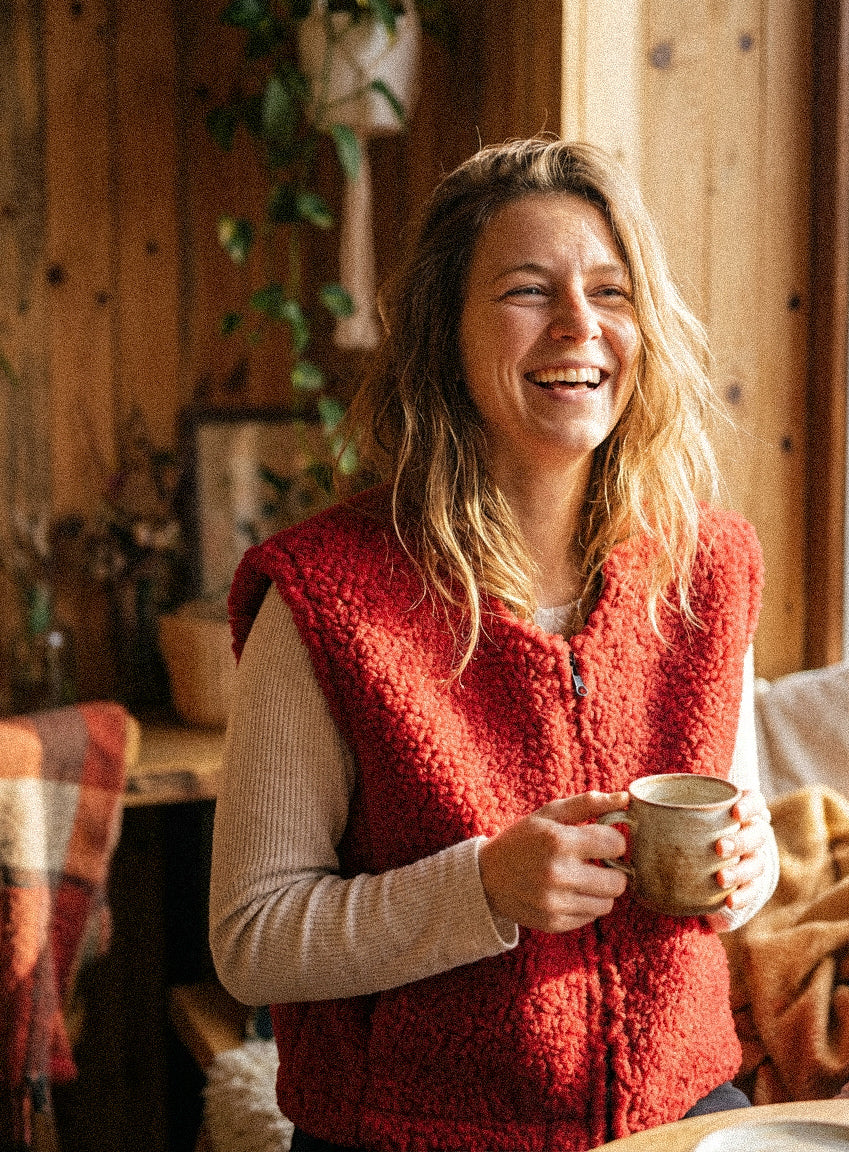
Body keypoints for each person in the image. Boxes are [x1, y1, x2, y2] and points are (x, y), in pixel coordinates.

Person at [210, 137, 779, 1152]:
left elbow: (745, 833)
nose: (579, 326)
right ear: (446, 333)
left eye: (611, 290)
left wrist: (750, 865)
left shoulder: (710, 571)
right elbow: (252, 940)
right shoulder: (328, 600)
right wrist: (479, 889)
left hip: (678, 1115)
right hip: (407, 1132)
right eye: (527, 290)